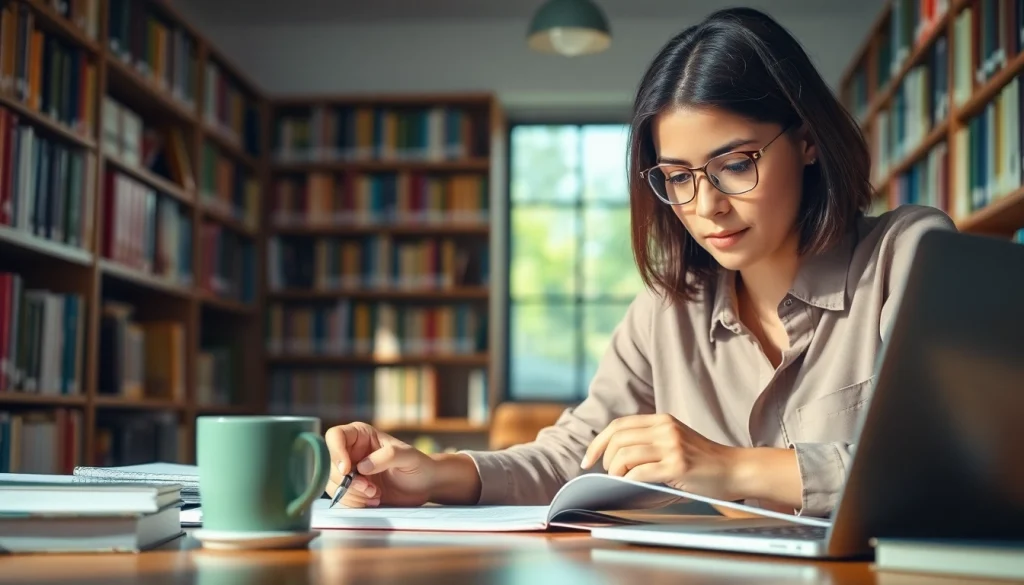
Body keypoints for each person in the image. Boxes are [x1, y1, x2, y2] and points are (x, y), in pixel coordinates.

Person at [323, 7, 955, 518]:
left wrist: (731, 466)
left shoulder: (910, 257)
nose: (706, 205)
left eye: (736, 164)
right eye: (677, 177)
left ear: (809, 142)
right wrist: (437, 473)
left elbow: (951, 467)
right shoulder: (667, 310)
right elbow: (573, 455)